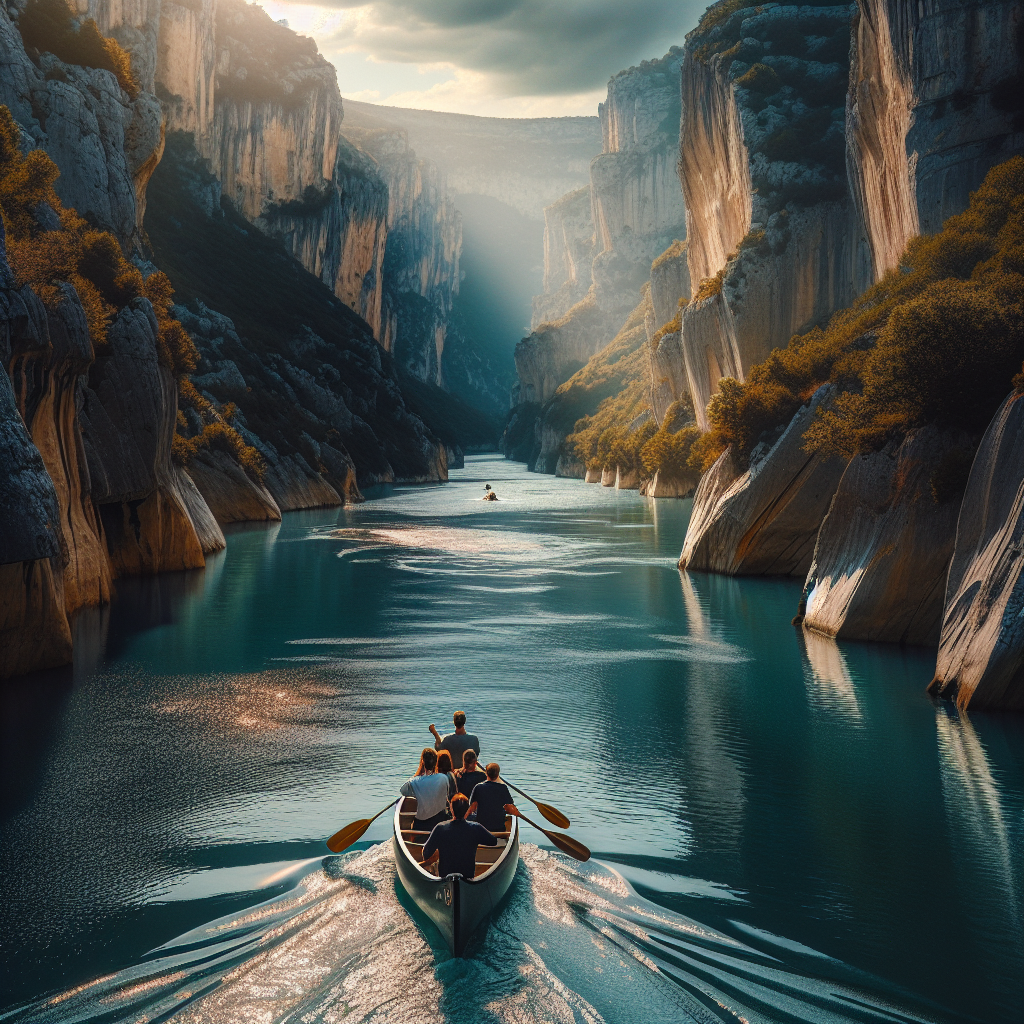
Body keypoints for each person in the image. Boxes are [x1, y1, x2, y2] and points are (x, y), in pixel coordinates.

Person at [421, 793, 497, 879]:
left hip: (445, 875)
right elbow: (493, 841)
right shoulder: (476, 828)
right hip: (467, 875)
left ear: (451, 809)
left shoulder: (440, 828)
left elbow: (426, 853)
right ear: (467, 810)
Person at [400, 748, 450, 831]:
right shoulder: (443, 778)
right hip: (440, 821)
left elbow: (403, 790)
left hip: (421, 824)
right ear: (435, 762)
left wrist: (417, 773)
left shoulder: (414, 781)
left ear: (422, 763)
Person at [468, 762, 519, 833]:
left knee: (471, 817)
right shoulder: (503, 788)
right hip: (499, 827)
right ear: (498, 775)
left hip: (482, 827)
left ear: (486, 773)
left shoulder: (478, 787)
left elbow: (472, 808)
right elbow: (510, 807)